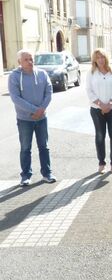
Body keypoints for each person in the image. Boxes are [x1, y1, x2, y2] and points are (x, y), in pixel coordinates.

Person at [8, 49, 56, 186]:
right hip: (24, 119)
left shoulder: (42, 74)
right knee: (25, 148)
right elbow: (15, 98)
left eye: (31, 59)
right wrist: (35, 110)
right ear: (19, 62)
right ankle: (26, 176)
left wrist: (42, 110)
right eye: (26, 60)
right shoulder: (14, 76)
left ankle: (47, 174)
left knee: (44, 147)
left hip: (42, 118)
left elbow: (49, 92)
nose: (30, 62)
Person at [85, 49, 112, 174]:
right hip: (97, 110)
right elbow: (89, 91)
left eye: (102, 57)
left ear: (106, 58)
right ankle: (101, 163)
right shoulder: (91, 73)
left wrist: (110, 104)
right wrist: (101, 105)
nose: (100, 60)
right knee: (100, 135)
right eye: (98, 58)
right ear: (94, 60)